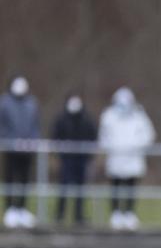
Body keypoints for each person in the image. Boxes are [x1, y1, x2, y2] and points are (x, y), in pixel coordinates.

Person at [98, 87, 154, 231]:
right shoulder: (108, 116)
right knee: (115, 187)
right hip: (115, 159)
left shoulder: (139, 116)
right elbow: (103, 137)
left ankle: (129, 213)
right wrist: (112, 147)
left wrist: (135, 146)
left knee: (131, 187)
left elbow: (148, 136)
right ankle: (116, 213)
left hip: (133, 160)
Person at [0, 76, 40, 228]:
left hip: (26, 149)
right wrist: (8, 140)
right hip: (10, 148)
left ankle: (21, 209)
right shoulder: (5, 103)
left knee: (25, 179)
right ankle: (9, 209)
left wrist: (32, 141)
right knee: (10, 178)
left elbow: (36, 125)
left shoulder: (31, 103)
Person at [52, 94, 97, 225]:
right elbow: (55, 136)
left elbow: (93, 137)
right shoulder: (62, 119)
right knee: (63, 188)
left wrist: (88, 155)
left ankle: (79, 215)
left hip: (81, 160)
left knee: (81, 190)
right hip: (66, 159)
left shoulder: (87, 120)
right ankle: (59, 215)